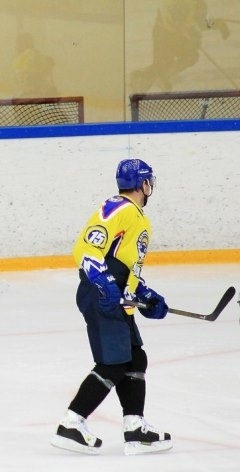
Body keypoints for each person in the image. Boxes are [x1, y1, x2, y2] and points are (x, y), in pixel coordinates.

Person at [51, 159, 172, 456]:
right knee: (113, 363)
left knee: (134, 358)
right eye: (150, 182)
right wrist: (104, 283)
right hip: (101, 294)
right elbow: (86, 247)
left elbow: (124, 264)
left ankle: (135, 428)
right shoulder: (118, 208)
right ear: (144, 184)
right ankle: (71, 424)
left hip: (115, 295)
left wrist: (144, 293)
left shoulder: (136, 215)